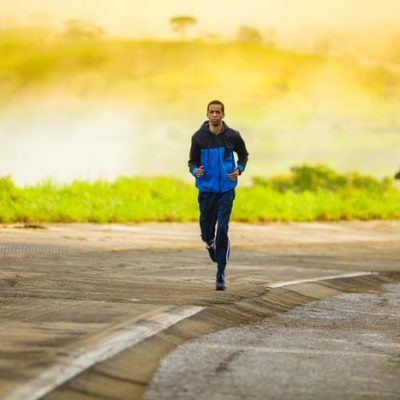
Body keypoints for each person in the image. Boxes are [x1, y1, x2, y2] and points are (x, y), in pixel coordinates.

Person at [188, 100, 249, 290]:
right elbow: (191, 162)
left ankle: (220, 275)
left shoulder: (233, 136)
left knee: (222, 229)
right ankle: (209, 242)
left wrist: (239, 169)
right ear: (207, 114)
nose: (215, 115)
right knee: (207, 231)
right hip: (206, 190)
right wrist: (195, 171)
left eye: (218, 112)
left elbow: (244, 156)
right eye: (211, 112)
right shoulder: (198, 137)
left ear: (223, 114)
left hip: (226, 190)